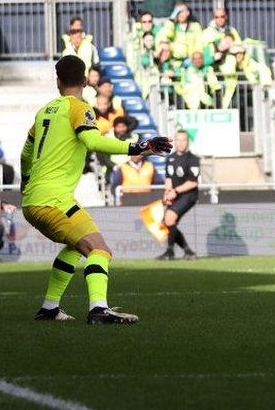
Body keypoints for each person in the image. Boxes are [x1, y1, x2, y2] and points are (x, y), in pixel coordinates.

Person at [19, 55, 172, 324]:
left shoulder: (44, 111)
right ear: (86, 80)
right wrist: (139, 147)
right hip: (54, 200)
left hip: (32, 200)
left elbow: (26, 153)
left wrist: (25, 182)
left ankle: (49, 308)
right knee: (100, 250)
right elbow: (91, 140)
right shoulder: (80, 107)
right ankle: (98, 309)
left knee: (76, 246)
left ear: (58, 81)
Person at [158, 130, 201, 261]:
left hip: (189, 195)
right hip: (175, 195)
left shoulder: (193, 159)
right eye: (178, 140)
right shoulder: (170, 158)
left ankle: (170, 252)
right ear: (175, 141)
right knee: (168, 221)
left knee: (169, 218)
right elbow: (168, 179)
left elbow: (193, 182)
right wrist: (167, 194)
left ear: (188, 142)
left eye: (184, 140)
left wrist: (175, 192)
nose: (181, 143)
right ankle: (188, 251)